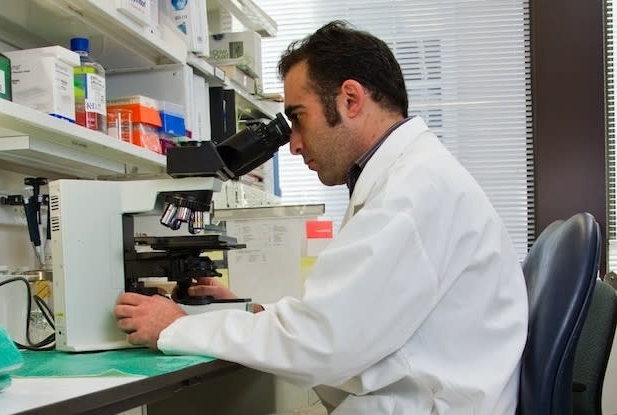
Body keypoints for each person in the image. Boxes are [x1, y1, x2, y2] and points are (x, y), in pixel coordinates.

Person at [114, 20, 528, 414]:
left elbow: (322, 343)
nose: (293, 144)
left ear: (350, 99)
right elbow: (345, 317)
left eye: (298, 117)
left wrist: (176, 327)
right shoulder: (406, 177)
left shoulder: (412, 194)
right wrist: (249, 312)